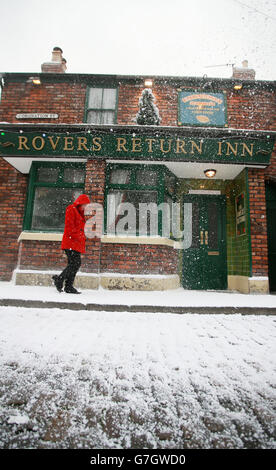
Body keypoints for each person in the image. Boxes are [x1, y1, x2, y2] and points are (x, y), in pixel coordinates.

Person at [52, 193, 90, 294]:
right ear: (80, 203)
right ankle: (60, 280)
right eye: (85, 205)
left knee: (73, 264)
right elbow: (70, 228)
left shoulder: (80, 213)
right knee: (75, 264)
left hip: (75, 243)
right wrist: (81, 235)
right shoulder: (71, 209)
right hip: (70, 242)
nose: (85, 207)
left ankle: (68, 286)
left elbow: (79, 228)